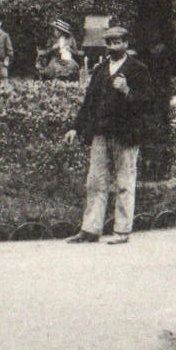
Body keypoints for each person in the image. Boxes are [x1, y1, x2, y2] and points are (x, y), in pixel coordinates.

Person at [64, 23, 153, 245]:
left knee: (124, 181)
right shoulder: (101, 70)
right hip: (101, 132)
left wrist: (127, 91)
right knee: (95, 182)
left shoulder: (138, 69)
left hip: (126, 134)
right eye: (110, 42)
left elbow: (148, 103)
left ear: (126, 43)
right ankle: (90, 230)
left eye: (118, 42)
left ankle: (122, 231)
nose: (114, 46)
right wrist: (76, 127)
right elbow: (89, 102)